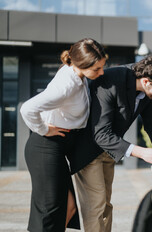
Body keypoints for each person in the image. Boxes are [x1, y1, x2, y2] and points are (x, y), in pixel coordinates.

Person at [70, 55, 152, 232]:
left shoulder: (149, 88)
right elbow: (101, 133)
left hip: (111, 150)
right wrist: (141, 152)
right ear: (146, 81)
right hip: (88, 149)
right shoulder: (110, 81)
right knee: (95, 206)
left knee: (105, 205)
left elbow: (151, 121)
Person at [20, 38, 107, 232]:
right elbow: (27, 109)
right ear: (81, 64)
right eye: (96, 69)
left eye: (102, 67)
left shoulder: (79, 75)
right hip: (45, 146)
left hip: (60, 146)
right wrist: (44, 129)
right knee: (49, 210)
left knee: (69, 209)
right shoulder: (66, 85)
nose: (101, 73)